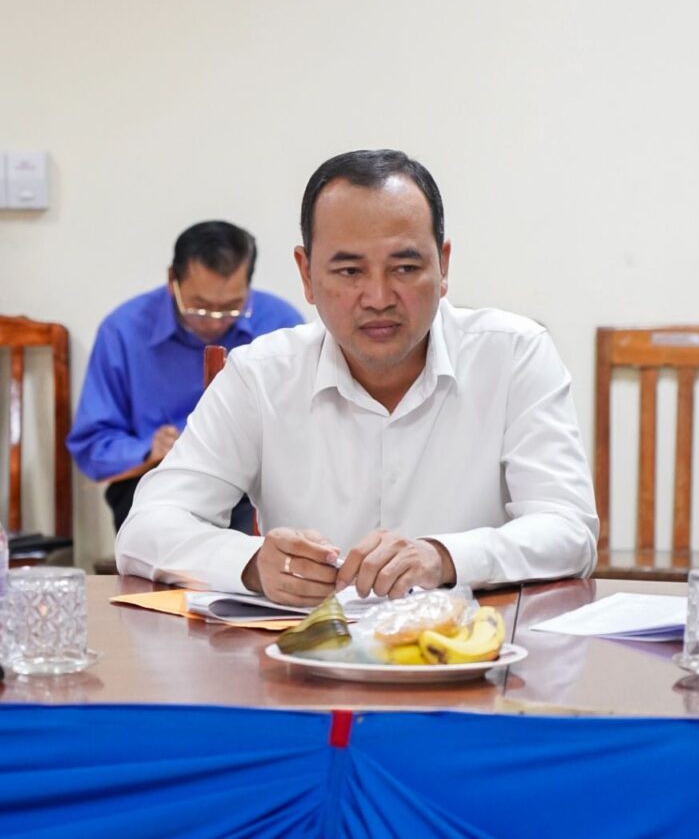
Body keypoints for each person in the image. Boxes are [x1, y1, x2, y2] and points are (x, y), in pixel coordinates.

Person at [116, 152, 598, 602]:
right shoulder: (259, 376)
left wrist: (445, 557)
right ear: (306, 274)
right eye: (349, 271)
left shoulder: (514, 354)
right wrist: (252, 565)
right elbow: (147, 529)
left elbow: (568, 529)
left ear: (443, 265)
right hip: (306, 653)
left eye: (405, 267)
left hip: (474, 649)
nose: (379, 298)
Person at [67, 220, 304, 531]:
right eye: (199, 307)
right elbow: (92, 444)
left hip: (253, 484)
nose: (214, 322)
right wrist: (149, 449)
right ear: (172, 281)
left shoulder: (281, 324)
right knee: (161, 529)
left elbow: (307, 423)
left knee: (266, 530)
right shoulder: (124, 330)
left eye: (232, 307)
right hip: (160, 478)